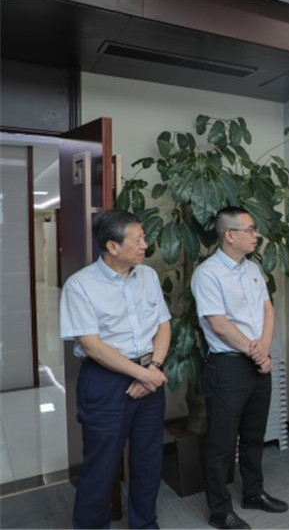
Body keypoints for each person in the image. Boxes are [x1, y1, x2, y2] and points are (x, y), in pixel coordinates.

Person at [60, 209, 170, 529]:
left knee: (148, 461)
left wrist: (153, 368)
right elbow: (92, 345)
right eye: (137, 239)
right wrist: (144, 376)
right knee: (100, 468)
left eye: (143, 237)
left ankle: (145, 524)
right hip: (105, 382)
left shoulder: (147, 276)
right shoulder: (80, 285)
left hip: (149, 373)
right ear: (112, 246)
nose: (145, 245)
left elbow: (163, 325)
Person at [192, 207, 288, 530]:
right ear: (229, 235)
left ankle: (254, 492)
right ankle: (220, 511)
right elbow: (218, 324)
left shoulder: (253, 268)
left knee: (253, 435)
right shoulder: (207, 274)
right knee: (221, 443)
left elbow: (267, 309)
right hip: (228, 366)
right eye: (250, 229)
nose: (256, 235)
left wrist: (264, 348)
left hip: (258, 360)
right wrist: (256, 352)